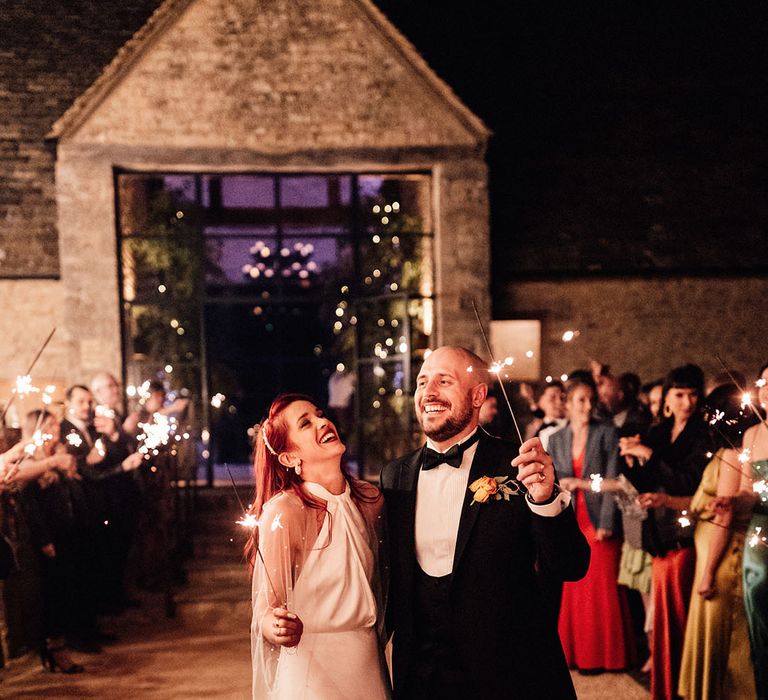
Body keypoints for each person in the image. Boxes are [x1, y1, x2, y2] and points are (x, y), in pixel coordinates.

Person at [380, 346, 590, 699]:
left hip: (509, 673)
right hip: (422, 676)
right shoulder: (395, 475)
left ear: (478, 395)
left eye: (443, 381)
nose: (428, 393)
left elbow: (570, 566)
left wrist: (545, 500)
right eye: (421, 382)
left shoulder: (519, 465)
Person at [247, 393, 389, 699]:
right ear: (288, 457)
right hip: (313, 668)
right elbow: (267, 610)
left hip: (367, 663)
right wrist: (276, 626)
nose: (323, 422)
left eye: (320, 414)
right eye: (305, 423)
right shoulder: (285, 512)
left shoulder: (370, 500)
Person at [621, 364, 711, 700]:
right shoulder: (660, 431)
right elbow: (641, 482)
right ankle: (667, 689)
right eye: (679, 394)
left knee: (681, 618)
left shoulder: (703, 435)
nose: (686, 401)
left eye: (692, 393)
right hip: (657, 535)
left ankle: (684, 690)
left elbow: (688, 482)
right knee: (662, 621)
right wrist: (629, 456)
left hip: (685, 535)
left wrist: (648, 455)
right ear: (668, 398)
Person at [548, 375, 636, 672]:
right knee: (575, 587)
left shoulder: (607, 432)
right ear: (568, 404)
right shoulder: (557, 438)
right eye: (581, 400)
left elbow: (616, 479)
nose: (587, 406)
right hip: (571, 519)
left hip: (598, 518)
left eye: (590, 400)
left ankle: (608, 657)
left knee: (602, 590)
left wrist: (607, 521)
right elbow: (554, 481)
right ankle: (576, 655)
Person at [678, 383, 759, 699]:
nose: (706, 419)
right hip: (716, 550)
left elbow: (725, 517)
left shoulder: (732, 454)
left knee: (722, 638)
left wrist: (708, 571)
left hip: (722, 556)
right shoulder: (734, 451)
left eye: (711, 413)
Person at [742, 361, 768, 699]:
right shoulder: (753, 434)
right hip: (760, 533)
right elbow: (749, 490)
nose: (764, 388)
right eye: (763, 381)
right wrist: (732, 502)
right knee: (761, 620)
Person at [522, 380, 567, 450]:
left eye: (562, 397)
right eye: (552, 397)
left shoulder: (573, 426)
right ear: (540, 402)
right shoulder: (534, 429)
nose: (559, 402)